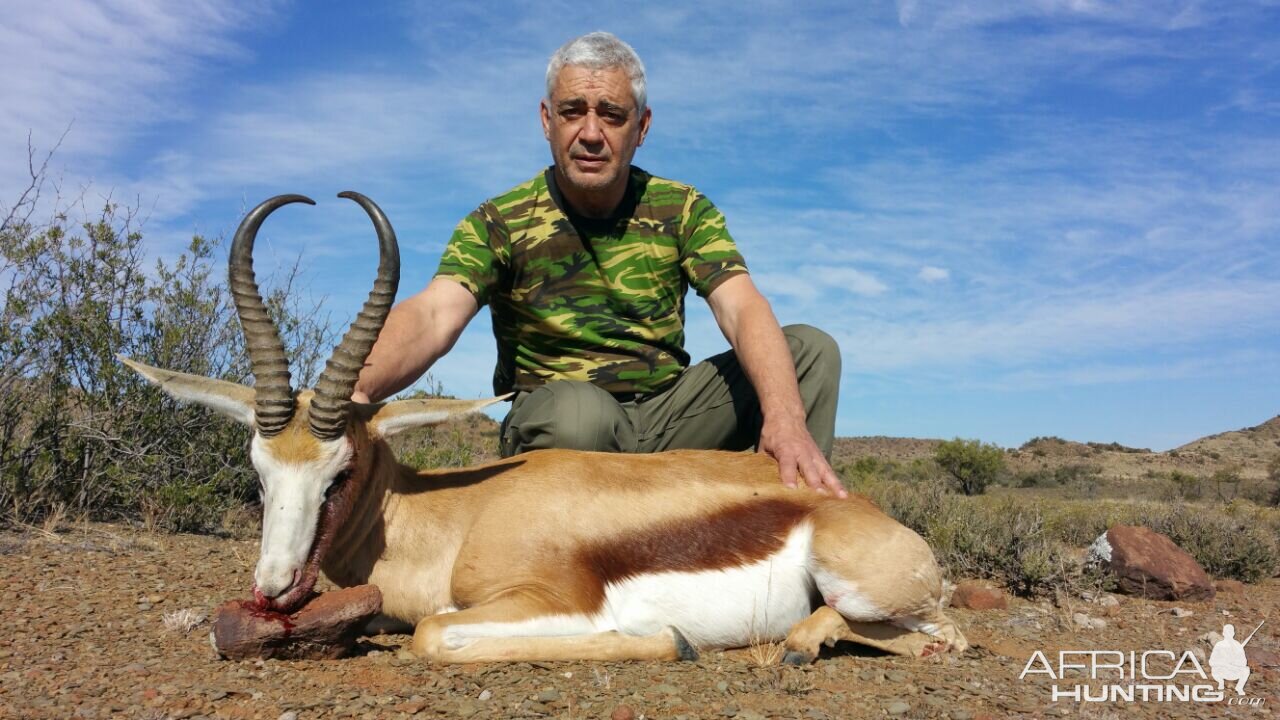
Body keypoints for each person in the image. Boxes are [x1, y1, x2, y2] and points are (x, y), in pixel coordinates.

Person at [353, 32, 845, 497]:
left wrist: (784, 415)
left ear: (642, 127)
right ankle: (568, 565)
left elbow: (741, 307)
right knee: (580, 414)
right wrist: (354, 389)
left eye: (611, 115)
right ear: (548, 120)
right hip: (560, 427)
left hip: (664, 417)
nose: (591, 133)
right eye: (573, 112)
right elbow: (435, 314)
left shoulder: (683, 208)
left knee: (810, 351)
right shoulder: (499, 221)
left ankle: (792, 537)